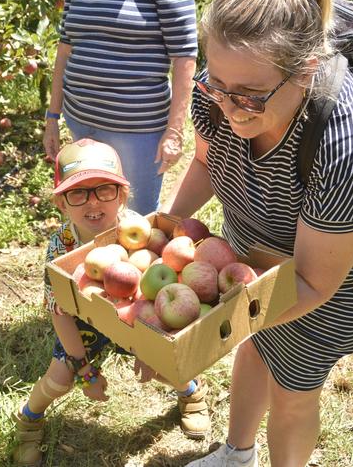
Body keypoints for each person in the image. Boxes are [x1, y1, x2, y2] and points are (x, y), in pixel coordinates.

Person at [160, 0, 353, 466]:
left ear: (306, 69)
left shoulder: (348, 139)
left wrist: (195, 332)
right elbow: (209, 163)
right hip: (254, 247)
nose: (228, 109)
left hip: (330, 279)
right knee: (253, 344)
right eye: (217, 86)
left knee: (292, 388)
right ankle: (237, 455)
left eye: (250, 96)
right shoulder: (223, 92)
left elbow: (312, 282)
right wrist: (166, 227)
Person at [12, 139, 210, 466]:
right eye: (78, 193)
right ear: (61, 203)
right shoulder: (61, 250)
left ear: (121, 195)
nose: (93, 202)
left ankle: (190, 391)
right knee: (60, 379)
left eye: (104, 190)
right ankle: (29, 418)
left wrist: (149, 347)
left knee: (168, 366)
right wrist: (84, 370)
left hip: (129, 316)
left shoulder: (138, 231)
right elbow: (60, 314)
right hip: (83, 323)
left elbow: (147, 294)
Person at [41, 0, 198, 216]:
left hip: (136, 130)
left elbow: (184, 57)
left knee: (136, 215)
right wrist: (52, 117)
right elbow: (65, 49)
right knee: (93, 208)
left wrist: (174, 132)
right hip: (81, 121)